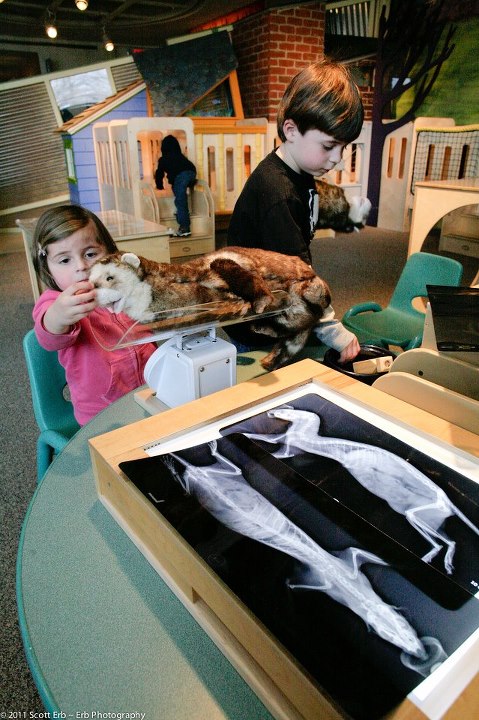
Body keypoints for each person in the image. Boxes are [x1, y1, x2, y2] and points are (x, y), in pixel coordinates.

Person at [227, 60, 363, 363]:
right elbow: (299, 279)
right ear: (291, 130)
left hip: (277, 299)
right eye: (328, 146)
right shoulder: (278, 192)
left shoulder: (298, 171)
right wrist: (333, 332)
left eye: (343, 147)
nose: (337, 158)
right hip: (256, 323)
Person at [32, 205, 157, 426]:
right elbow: (48, 335)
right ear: (47, 268)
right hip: (102, 416)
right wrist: (59, 315)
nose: (81, 266)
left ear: (109, 252)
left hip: (152, 392)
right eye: (64, 260)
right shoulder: (56, 302)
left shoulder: (124, 287)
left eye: (90, 254)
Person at [155, 135, 197, 237]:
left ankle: (185, 227)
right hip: (191, 172)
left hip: (181, 176)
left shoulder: (163, 159)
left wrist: (159, 186)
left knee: (180, 200)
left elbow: (159, 174)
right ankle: (181, 213)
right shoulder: (180, 156)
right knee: (178, 192)